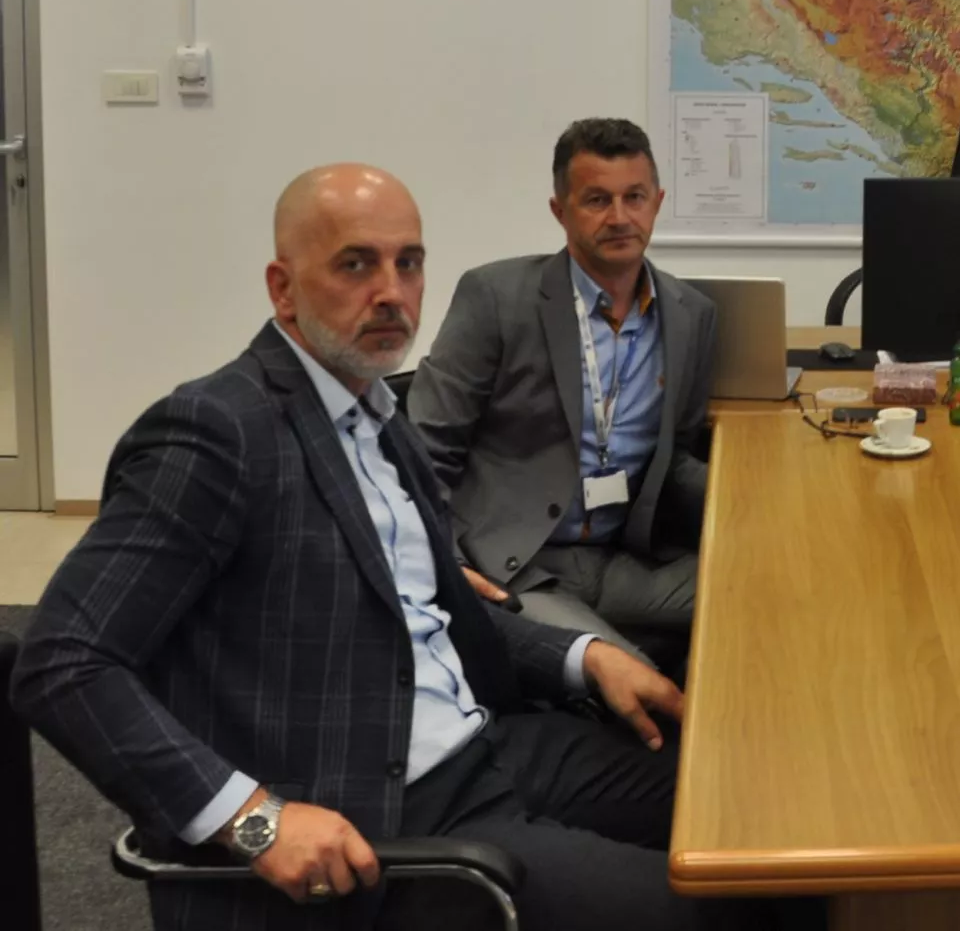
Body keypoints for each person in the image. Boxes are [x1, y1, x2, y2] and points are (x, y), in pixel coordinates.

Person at [10, 165, 716, 931]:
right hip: (386, 809)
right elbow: (63, 661)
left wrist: (584, 657)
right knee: (725, 908)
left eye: (408, 263)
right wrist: (254, 819)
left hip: (488, 746)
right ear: (283, 289)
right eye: (356, 264)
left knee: (742, 800)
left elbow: (432, 612)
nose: (391, 291)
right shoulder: (217, 434)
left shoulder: (377, 417)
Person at [407, 120, 715, 665]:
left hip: (624, 559)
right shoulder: (496, 297)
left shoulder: (691, 314)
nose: (619, 217)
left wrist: (755, 501)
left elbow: (678, 456)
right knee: (637, 683)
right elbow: (424, 451)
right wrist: (448, 565)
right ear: (560, 211)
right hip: (515, 562)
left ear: (658, 202)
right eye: (597, 200)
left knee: (776, 590)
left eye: (634, 197)